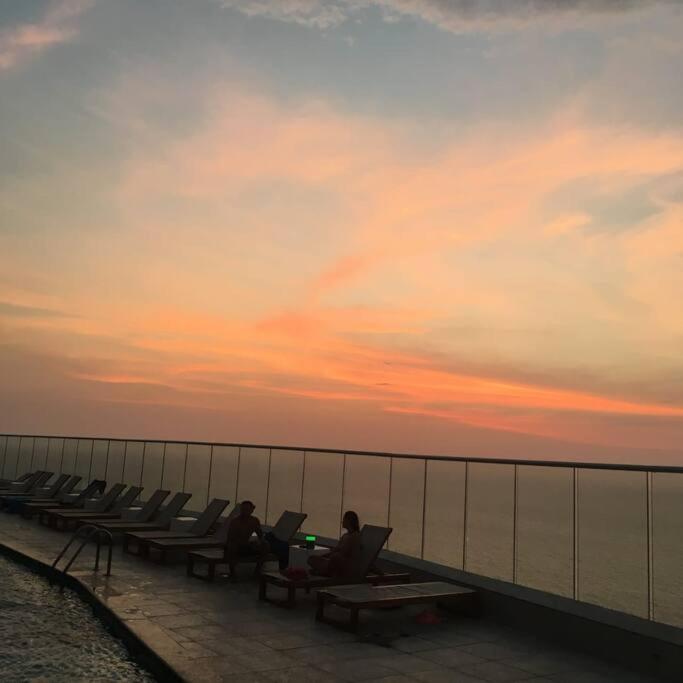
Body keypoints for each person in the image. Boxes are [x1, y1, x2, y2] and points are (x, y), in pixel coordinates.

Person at [308, 510, 361, 578]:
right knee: (311, 559)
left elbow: (344, 552)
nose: (342, 522)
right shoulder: (345, 536)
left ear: (349, 521)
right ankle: (325, 571)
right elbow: (336, 550)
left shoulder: (355, 536)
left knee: (335, 557)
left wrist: (334, 553)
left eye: (344, 519)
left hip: (345, 565)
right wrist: (322, 556)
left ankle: (324, 571)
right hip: (334, 561)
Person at [225, 500, 269, 580]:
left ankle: (257, 571)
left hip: (247, 546)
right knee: (232, 546)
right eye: (243, 509)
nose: (245, 512)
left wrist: (259, 542)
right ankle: (232, 573)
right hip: (237, 546)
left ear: (252, 510)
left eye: (247, 509)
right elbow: (230, 538)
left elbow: (260, 535)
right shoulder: (235, 521)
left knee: (265, 545)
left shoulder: (254, 521)